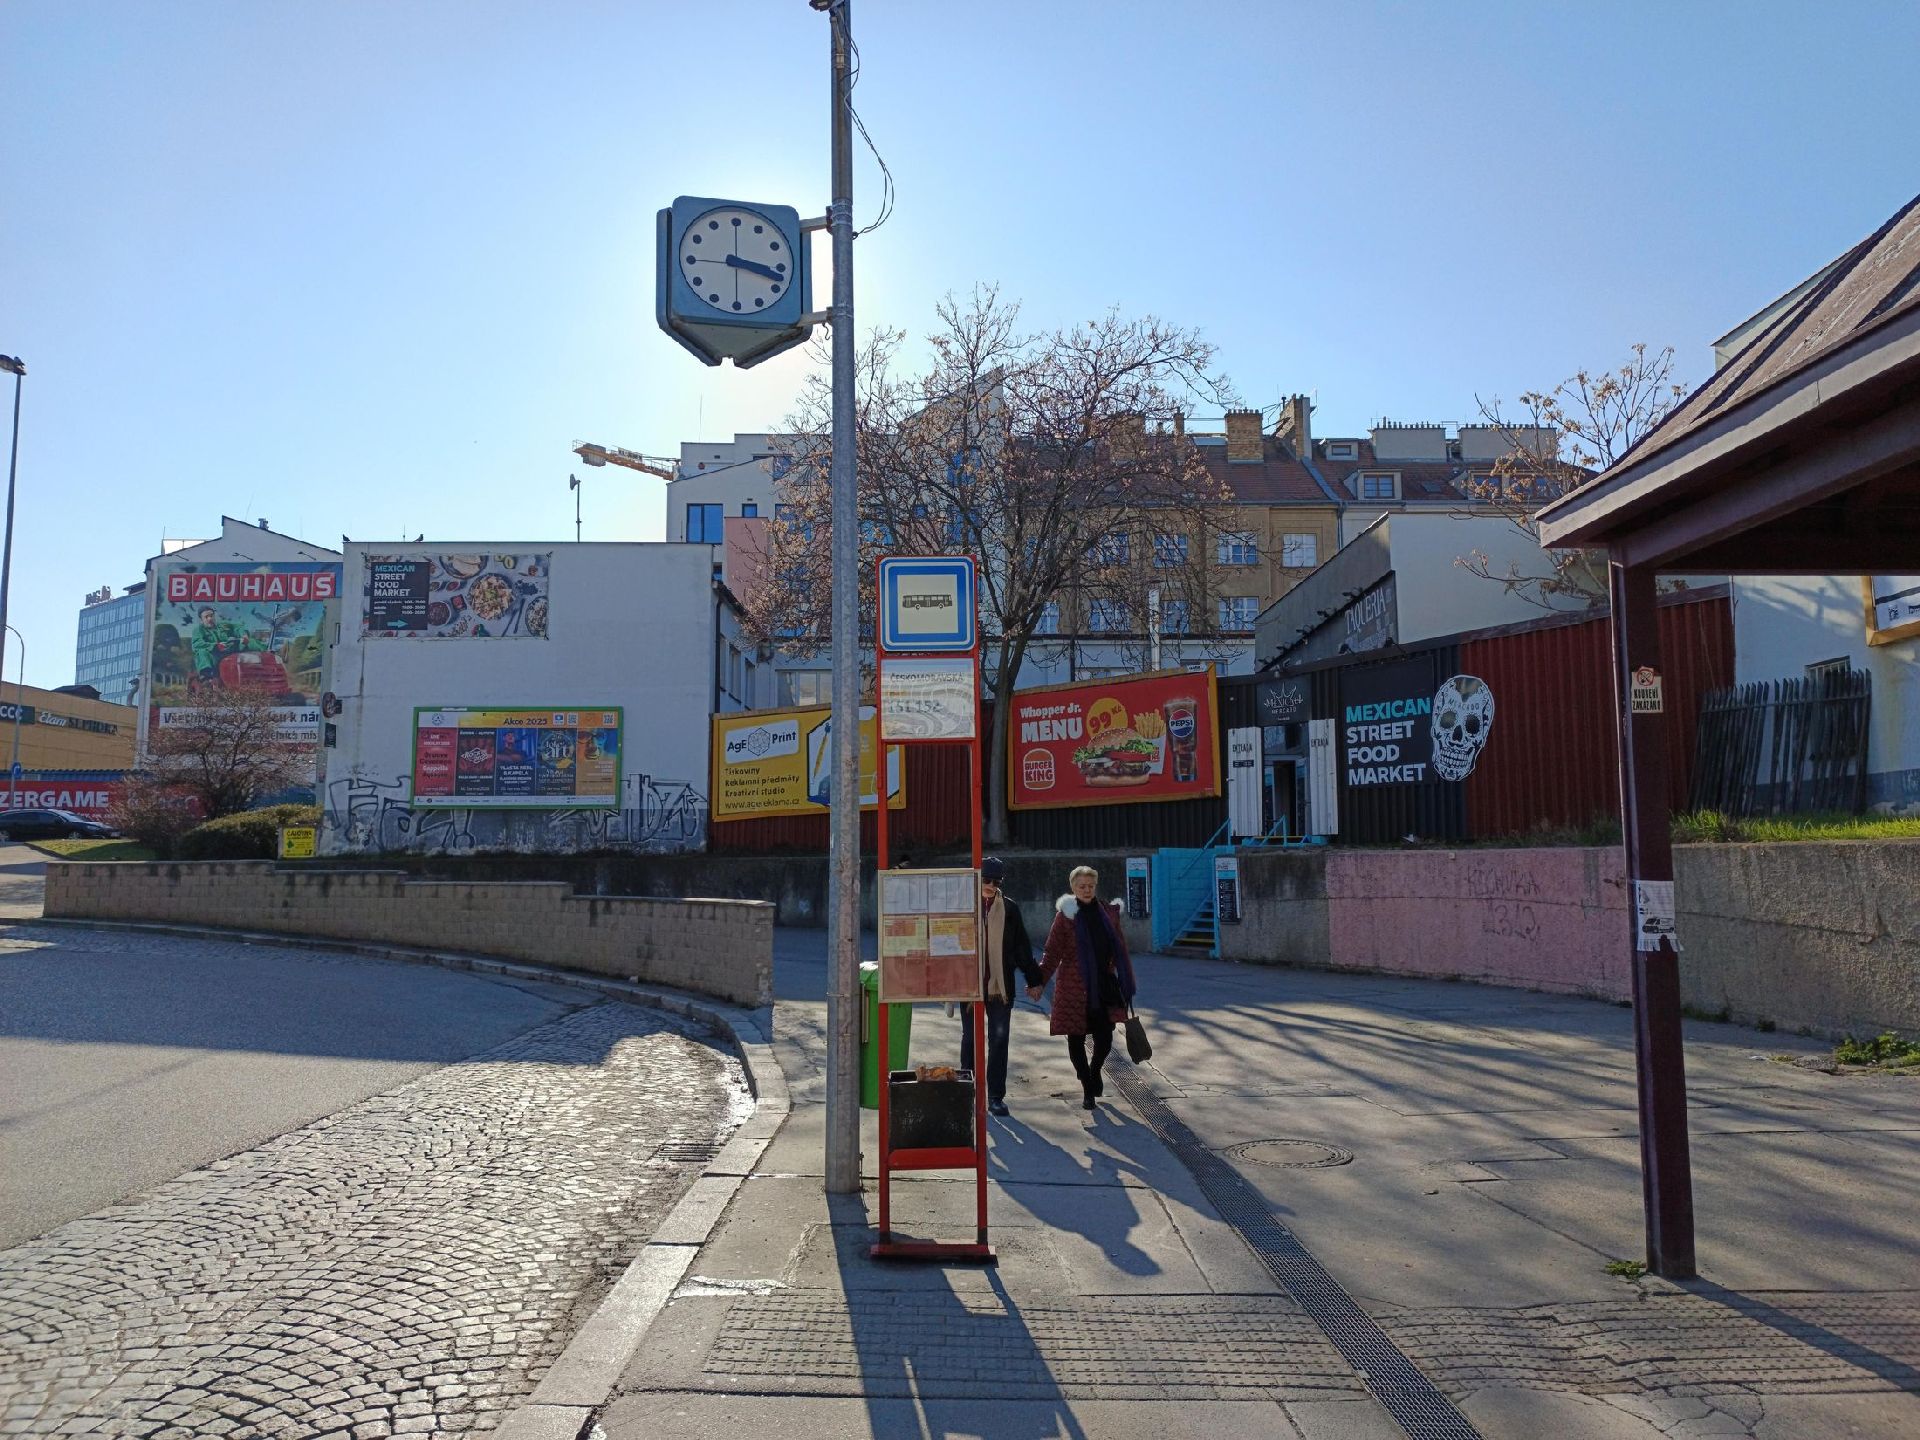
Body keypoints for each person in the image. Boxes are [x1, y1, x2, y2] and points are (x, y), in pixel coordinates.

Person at [1036, 864, 1138, 1111]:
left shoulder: (1107, 912)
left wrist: (1125, 978)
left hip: (1103, 984)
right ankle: (1087, 1088)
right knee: (1076, 1038)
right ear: (1073, 888)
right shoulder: (1066, 916)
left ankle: (1093, 1073)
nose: (1087, 890)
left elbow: (1120, 947)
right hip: (1073, 984)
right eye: (1082, 886)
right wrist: (1038, 981)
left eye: (1091, 885)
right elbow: (1051, 952)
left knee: (1104, 1038)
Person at [962, 856, 1043, 1117]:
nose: (990, 885)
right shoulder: (963, 907)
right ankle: (968, 1092)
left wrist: (1034, 980)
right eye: (985, 879)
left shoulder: (1009, 909)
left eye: (996, 881)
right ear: (976, 879)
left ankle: (995, 1096)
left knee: (999, 1039)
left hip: (1000, 986)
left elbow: (1022, 947)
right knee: (970, 1039)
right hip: (970, 984)